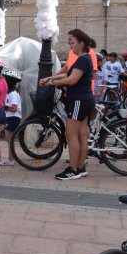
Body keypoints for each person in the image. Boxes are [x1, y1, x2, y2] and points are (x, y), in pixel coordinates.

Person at [40, 29, 95, 180]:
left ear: (81, 43)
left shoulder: (83, 59)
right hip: (85, 99)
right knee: (82, 135)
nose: (70, 45)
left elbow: (71, 80)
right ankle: (81, 167)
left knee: (71, 134)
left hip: (78, 100)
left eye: (72, 42)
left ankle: (73, 169)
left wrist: (52, 82)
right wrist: (50, 78)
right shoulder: (84, 59)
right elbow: (68, 74)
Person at [1, 68, 22, 166]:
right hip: (10, 117)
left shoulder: (13, 94)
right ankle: (10, 158)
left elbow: (14, 108)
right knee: (9, 139)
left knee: (10, 139)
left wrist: (3, 107)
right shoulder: (10, 93)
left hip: (13, 117)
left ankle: (11, 159)